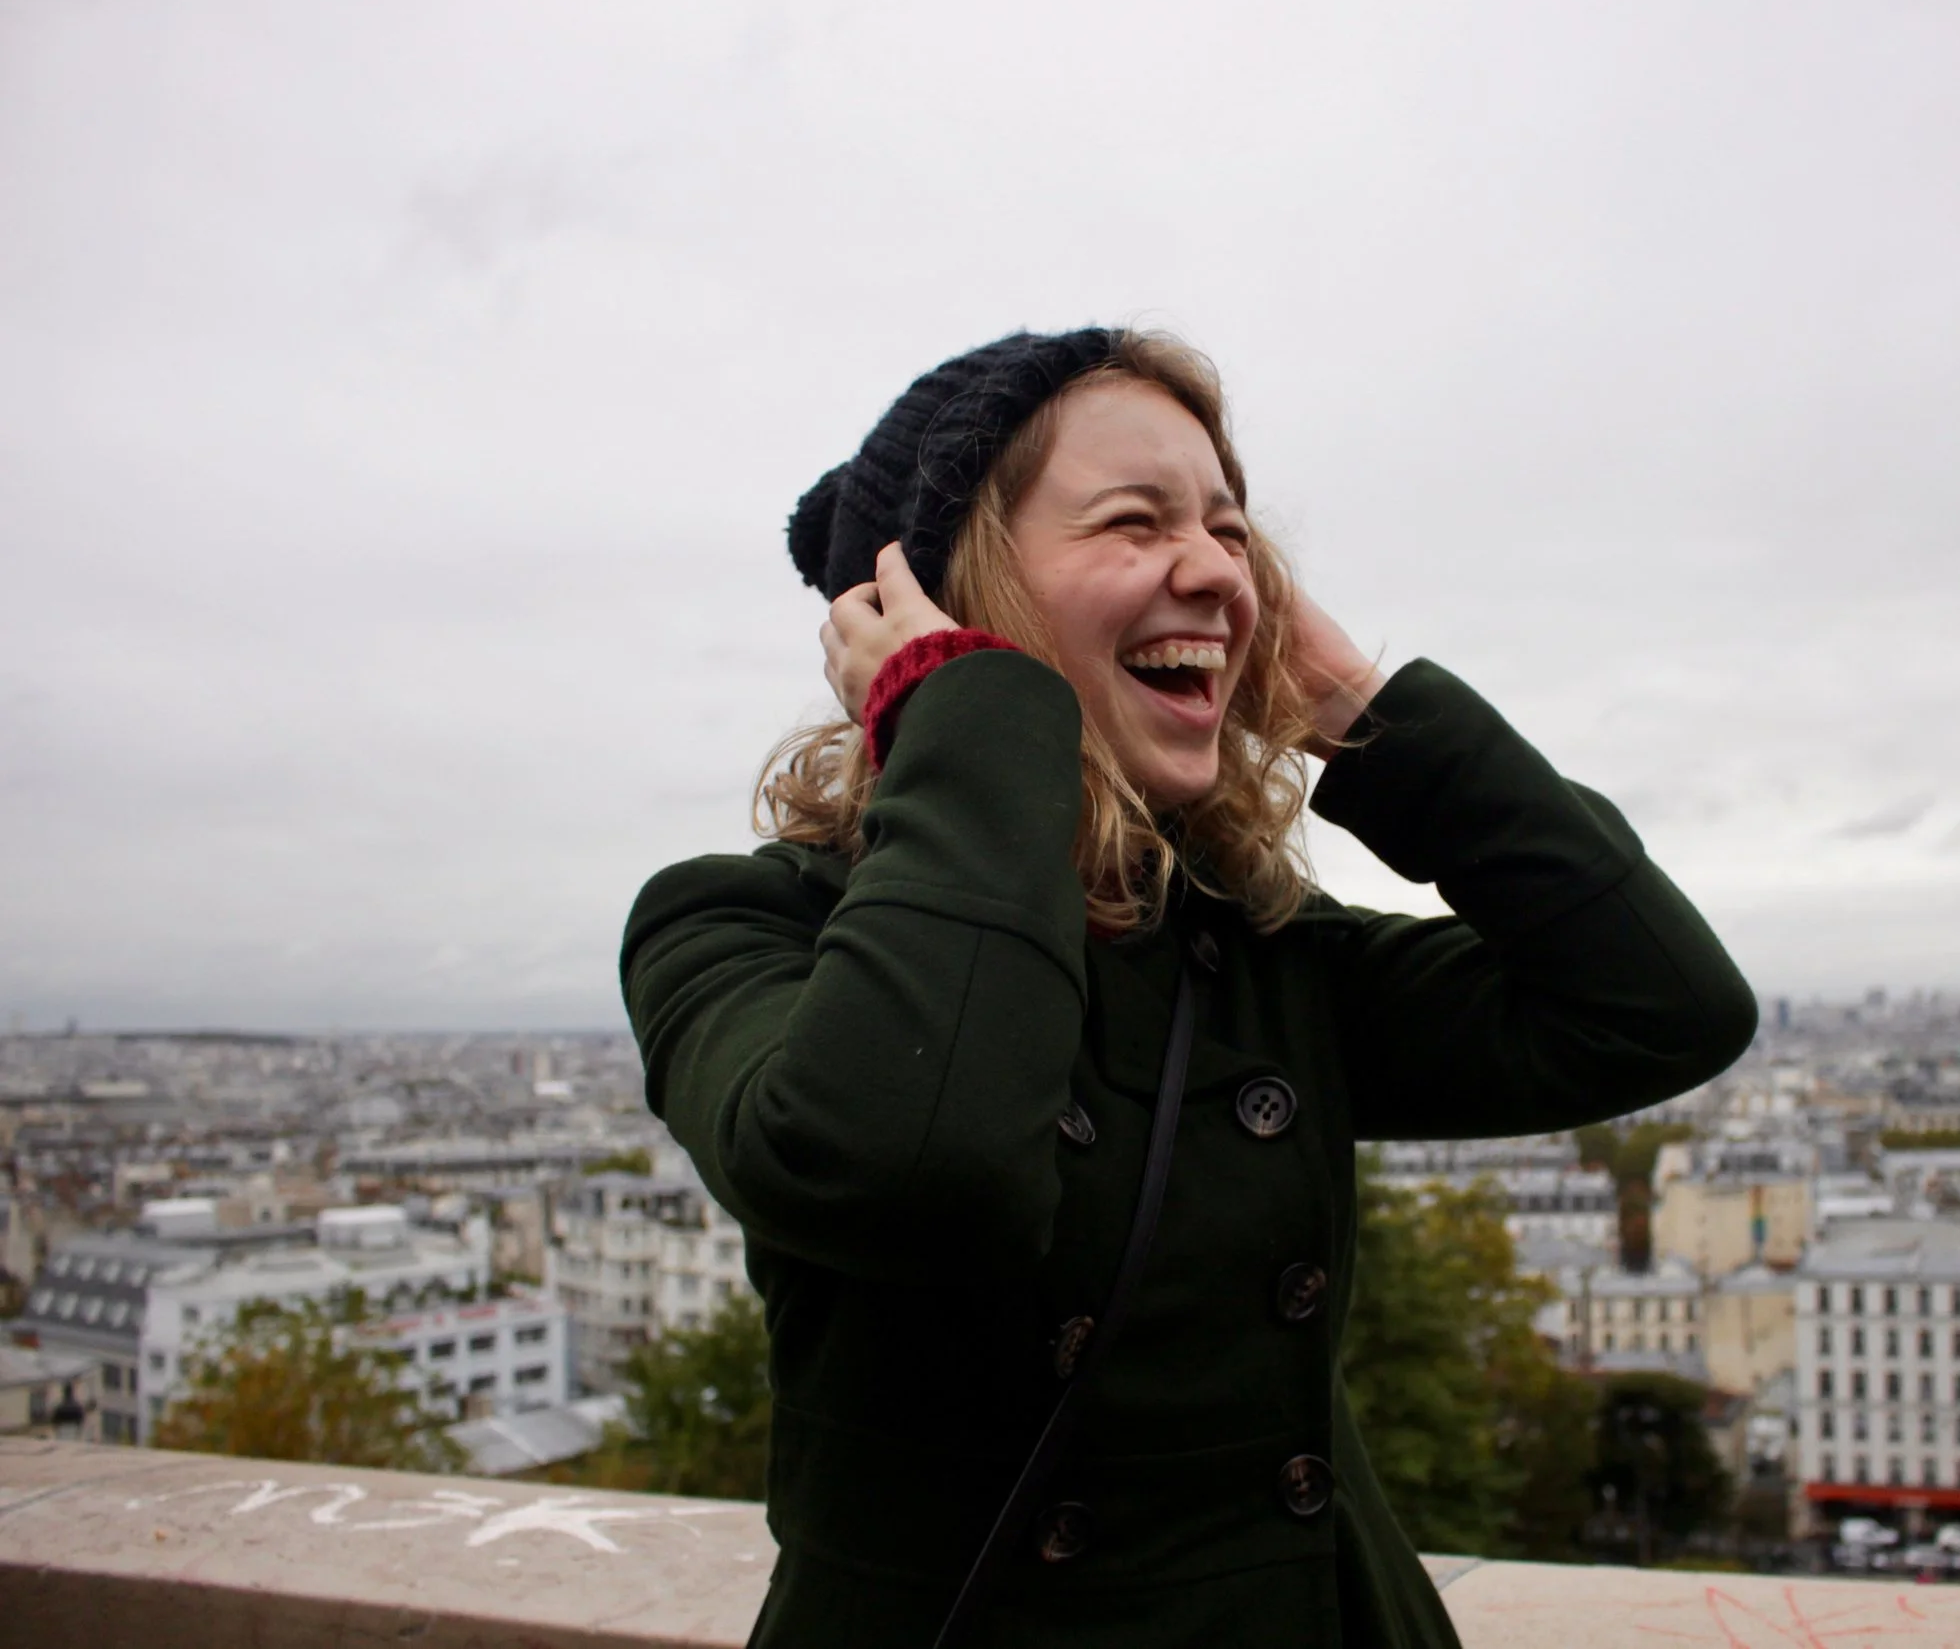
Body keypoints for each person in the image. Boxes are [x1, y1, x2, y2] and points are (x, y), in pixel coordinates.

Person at [621, 327, 1756, 1648]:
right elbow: (910, 1155)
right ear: (945, 598)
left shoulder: (1259, 955)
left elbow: (1656, 1004)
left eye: (1233, 532)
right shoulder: (740, 927)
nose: (1219, 569)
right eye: (1134, 520)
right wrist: (970, 718)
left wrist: (1352, 703)